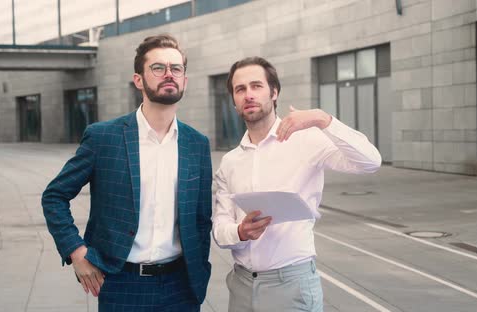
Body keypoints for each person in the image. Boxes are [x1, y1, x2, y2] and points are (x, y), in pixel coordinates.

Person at [42, 34, 212, 312]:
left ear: (184, 79)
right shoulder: (103, 137)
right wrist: (77, 252)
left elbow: (202, 219)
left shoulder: (197, 144)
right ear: (138, 80)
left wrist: (200, 274)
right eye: (158, 68)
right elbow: (54, 196)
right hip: (122, 284)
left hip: (181, 287)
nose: (169, 74)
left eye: (176, 68)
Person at [212, 56, 382, 312]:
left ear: (274, 92)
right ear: (234, 101)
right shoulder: (230, 162)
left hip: (291, 286)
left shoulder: (307, 140)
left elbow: (370, 162)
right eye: (240, 89)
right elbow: (220, 229)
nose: (248, 94)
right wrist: (240, 232)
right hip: (242, 287)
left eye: (256, 86)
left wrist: (323, 120)